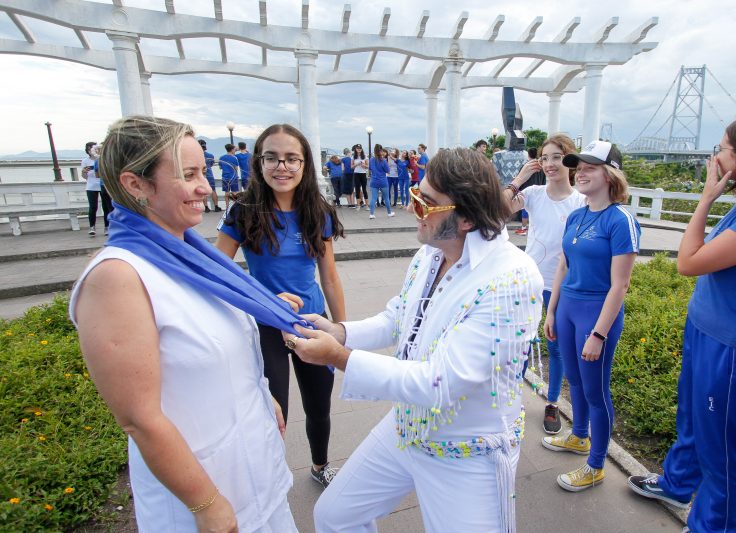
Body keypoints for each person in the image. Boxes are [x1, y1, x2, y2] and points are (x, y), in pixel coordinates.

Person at [284, 147, 543, 533]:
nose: (411, 208)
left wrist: (338, 356)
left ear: (467, 218)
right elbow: (400, 316)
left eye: (425, 203)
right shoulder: (431, 253)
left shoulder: (512, 279)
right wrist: (338, 331)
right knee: (335, 516)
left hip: (467, 450)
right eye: (415, 195)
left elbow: (441, 382)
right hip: (408, 425)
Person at [70, 116, 298, 532]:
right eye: (189, 175)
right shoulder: (118, 278)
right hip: (201, 494)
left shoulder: (192, 256)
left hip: (254, 468)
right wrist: (206, 504)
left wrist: (264, 397)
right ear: (136, 185)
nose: (206, 188)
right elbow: (139, 417)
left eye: (204, 172)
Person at [628, 112, 736, 533]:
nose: (714, 157)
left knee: (721, 447)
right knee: (692, 419)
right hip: (705, 332)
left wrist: (705, 199)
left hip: (733, 347)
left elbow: (689, 262)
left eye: (720, 148)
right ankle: (677, 484)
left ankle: (711, 527)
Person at [216, 123, 346, 489]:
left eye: (292, 159)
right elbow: (219, 273)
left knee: (319, 406)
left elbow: (330, 277)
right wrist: (263, 299)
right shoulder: (243, 210)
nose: (282, 167)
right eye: (272, 158)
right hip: (266, 326)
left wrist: (340, 330)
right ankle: (270, 478)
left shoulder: (316, 210)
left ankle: (320, 465)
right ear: (259, 162)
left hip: (310, 322)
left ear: (305, 165)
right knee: (276, 412)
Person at [541, 140, 640, 492]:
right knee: (576, 382)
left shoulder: (620, 219)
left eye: (589, 167)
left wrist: (598, 333)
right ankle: (579, 436)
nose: (579, 172)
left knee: (597, 391)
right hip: (566, 307)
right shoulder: (577, 215)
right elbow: (563, 264)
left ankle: (596, 465)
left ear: (611, 174)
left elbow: (620, 286)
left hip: (596, 314)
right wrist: (551, 311)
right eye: (578, 167)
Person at [503, 134, 585, 435]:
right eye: (545, 157)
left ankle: (552, 403)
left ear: (570, 160)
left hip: (561, 285)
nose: (550, 163)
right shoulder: (534, 193)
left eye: (556, 157)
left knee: (557, 347)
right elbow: (497, 210)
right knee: (520, 343)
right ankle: (511, 402)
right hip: (529, 282)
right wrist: (520, 178)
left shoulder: (581, 201)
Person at [81, 141, 112, 236]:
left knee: (106, 207)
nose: (92, 150)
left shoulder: (102, 159)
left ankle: (107, 227)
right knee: (93, 207)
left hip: (102, 185)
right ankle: (92, 227)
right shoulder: (85, 161)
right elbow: (84, 176)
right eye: (90, 148)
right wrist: (84, 172)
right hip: (91, 186)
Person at [368, 144, 394, 219]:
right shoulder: (383, 161)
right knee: (386, 198)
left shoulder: (371, 159)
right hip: (383, 181)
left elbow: (370, 168)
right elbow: (388, 171)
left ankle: (371, 214)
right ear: (381, 151)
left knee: (373, 198)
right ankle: (389, 213)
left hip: (374, 181)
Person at [198, 139, 222, 213]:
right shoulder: (210, 155)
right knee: (213, 190)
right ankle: (216, 206)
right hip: (210, 174)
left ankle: (206, 207)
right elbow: (211, 164)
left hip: (201, 175)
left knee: (203, 192)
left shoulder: (196, 155)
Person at [219, 143, 240, 210]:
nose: (235, 150)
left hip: (225, 177)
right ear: (232, 150)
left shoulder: (221, 157)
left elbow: (220, 167)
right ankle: (235, 207)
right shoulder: (234, 158)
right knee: (235, 192)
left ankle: (227, 207)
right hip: (233, 177)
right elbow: (236, 168)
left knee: (226, 192)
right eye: (234, 149)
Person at [351, 143, 369, 210]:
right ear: (356, 149)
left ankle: (367, 205)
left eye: (360, 148)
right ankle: (358, 205)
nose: (359, 149)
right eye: (358, 148)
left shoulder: (365, 156)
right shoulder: (353, 157)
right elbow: (352, 167)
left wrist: (363, 165)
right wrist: (357, 164)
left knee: (364, 190)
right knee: (357, 190)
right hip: (356, 174)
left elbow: (367, 167)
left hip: (363, 174)